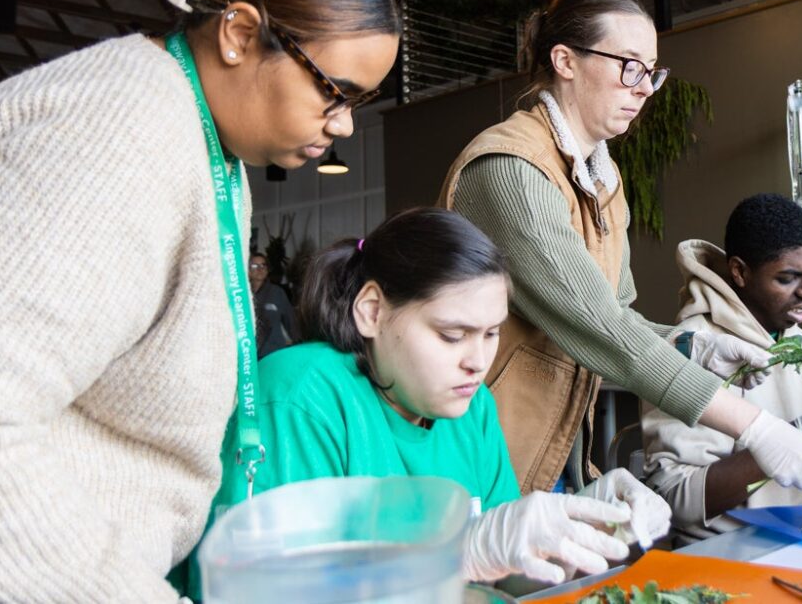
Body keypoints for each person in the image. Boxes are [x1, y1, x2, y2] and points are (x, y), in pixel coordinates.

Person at [0, 0, 401, 602]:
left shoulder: (211, 146)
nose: (343, 124)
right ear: (239, 34)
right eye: (333, 91)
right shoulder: (120, 129)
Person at [439, 0, 802, 506]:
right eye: (629, 67)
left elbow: (620, 312)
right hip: (484, 452)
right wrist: (757, 427)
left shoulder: (604, 179)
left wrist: (691, 346)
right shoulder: (510, 168)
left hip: (550, 453)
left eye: (651, 71)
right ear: (565, 61)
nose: (645, 88)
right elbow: (598, 324)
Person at [192, 208, 672, 595]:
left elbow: (504, 574)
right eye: (452, 335)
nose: (477, 362)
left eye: (491, 334)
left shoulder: (472, 408)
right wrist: (458, 553)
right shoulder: (301, 398)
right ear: (372, 311)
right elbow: (266, 591)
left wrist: (579, 531)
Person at [641, 193, 802, 542]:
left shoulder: (801, 344)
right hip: (727, 549)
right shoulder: (696, 348)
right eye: (788, 278)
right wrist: (796, 437)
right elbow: (674, 500)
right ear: (740, 272)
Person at [249, 252, 299, 359]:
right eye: (254, 266)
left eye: (263, 265)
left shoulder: (277, 292)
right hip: (250, 354)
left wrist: (300, 344)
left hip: (274, 352)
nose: (260, 269)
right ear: (248, 270)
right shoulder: (243, 295)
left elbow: (290, 321)